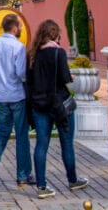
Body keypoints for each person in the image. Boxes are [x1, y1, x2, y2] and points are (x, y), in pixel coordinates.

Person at [27, 19, 88, 199]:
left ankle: (41, 186)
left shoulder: (32, 54)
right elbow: (65, 78)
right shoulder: (58, 52)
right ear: (55, 34)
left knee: (41, 145)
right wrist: (71, 76)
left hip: (40, 105)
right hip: (60, 104)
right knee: (66, 143)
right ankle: (72, 180)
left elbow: (29, 82)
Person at [0, 14, 34, 187]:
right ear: (16, 28)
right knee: (21, 135)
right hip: (17, 96)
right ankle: (23, 175)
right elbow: (21, 73)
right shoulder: (18, 47)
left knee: (1, 133)